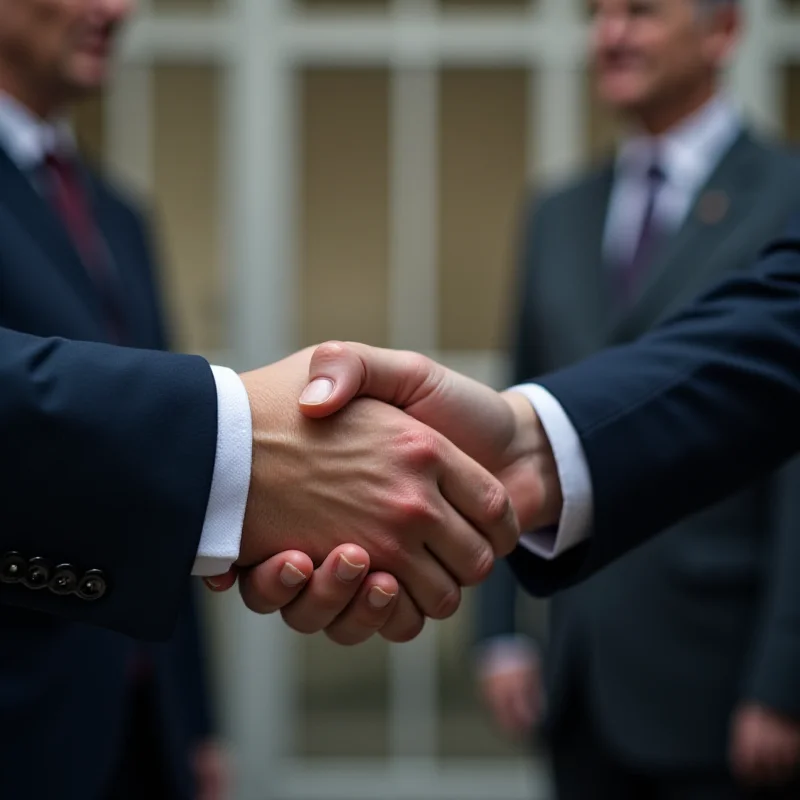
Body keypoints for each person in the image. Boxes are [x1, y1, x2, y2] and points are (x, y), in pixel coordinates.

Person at [473, 0, 800, 795]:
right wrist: (498, 634)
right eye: (599, 13)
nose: (610, 35)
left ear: (723, 32)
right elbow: (507, 415)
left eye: (642, 12)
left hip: (720, 685)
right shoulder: (558, 212)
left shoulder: (786, 195)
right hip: (578, 680)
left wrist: (784, 682)